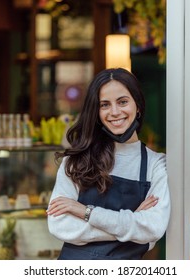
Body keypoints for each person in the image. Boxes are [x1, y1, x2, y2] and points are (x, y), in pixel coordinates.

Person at [47, 68, 170, 260]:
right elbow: (59, 225)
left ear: (137, 105)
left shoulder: (157, 165)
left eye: (122, 102)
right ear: (96, 112)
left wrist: (85, 212)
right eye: (104, 105)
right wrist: (130, 223)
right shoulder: (75, 161)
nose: (114, 112)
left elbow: (152, 228)